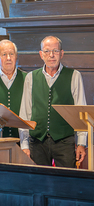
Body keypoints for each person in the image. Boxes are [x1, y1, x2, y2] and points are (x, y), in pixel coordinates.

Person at [19, 36, 87, 168]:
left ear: (62, 54)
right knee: (39, 183)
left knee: (66, 182)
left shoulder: (74, 76)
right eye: (47, 51)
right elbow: (25, 113)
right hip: (37, 141)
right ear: (41, 54)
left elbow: (81, 112)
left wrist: (81, 143)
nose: (51, 55)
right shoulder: (30, 77)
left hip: (64, 141)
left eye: (55, 51)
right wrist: (25, 145)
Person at [0, 39, 27, 138]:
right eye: (4, 54)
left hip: (22, 140)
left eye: (11, 54)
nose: (8, 58)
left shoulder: (27, 79)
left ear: (16, 57)